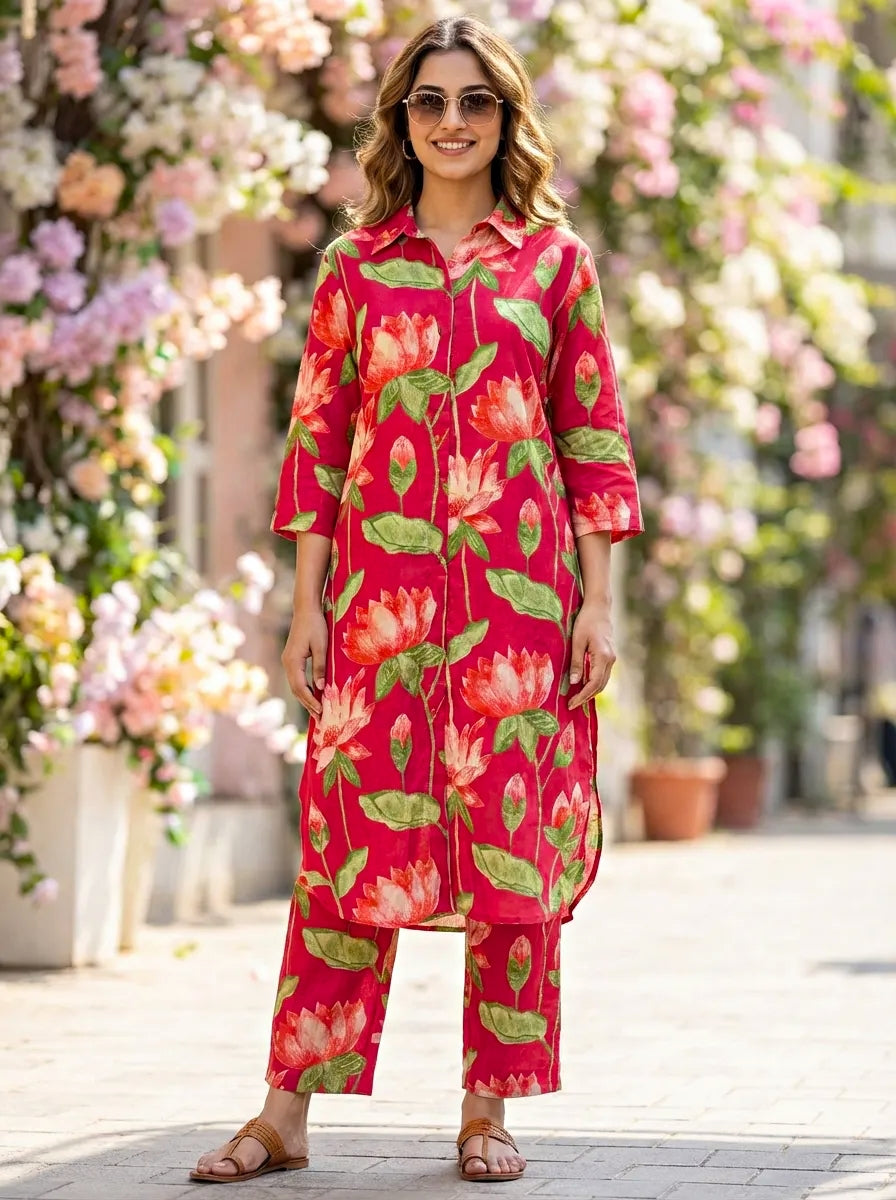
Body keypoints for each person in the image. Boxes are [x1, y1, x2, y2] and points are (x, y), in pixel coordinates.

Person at [191, 13, 642, 1186]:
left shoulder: (554, 264)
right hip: (380, 610)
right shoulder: (355, 268)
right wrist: (305, 609)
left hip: (519, 609)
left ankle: (486, 1110)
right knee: (347, 848)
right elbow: (319, 446)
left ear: (505, 119)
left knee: (506, 854)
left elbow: (592, 440)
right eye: (428, 102)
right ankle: (287, 1110)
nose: (450, 122)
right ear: (400, 121)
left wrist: (598, 604)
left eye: (473, 102)